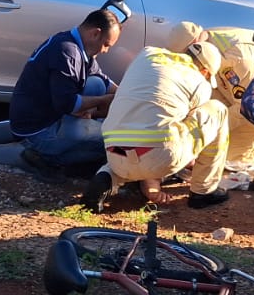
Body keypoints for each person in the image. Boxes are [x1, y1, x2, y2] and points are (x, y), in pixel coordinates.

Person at [0, 9, 120, 173]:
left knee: (94, 84)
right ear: (95, 33)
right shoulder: (67, 52)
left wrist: (126, 95)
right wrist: (104, 101)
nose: (105, 51)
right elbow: (68, 104)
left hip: (31, 118)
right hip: (39, 126)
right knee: (97, 147)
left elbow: (102, 79)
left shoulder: (76, 47)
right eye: (106, 45)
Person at [81, 30, 231, 211]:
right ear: (206, 71)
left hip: (114, 152)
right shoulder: (200, 83)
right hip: (159, 155)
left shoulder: (147, 55)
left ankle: (107, 177)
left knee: (131, 146)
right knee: (218, 110)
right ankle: (203, 191)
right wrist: (193, 158)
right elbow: (189, 124)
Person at [166, 22, 254, 187]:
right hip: (236, 98)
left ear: (196, 45)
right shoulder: (207, 43)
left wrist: (207, 132)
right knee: (210, 152)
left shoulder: (239, 59)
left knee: (229, 155)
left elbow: (246, 106)